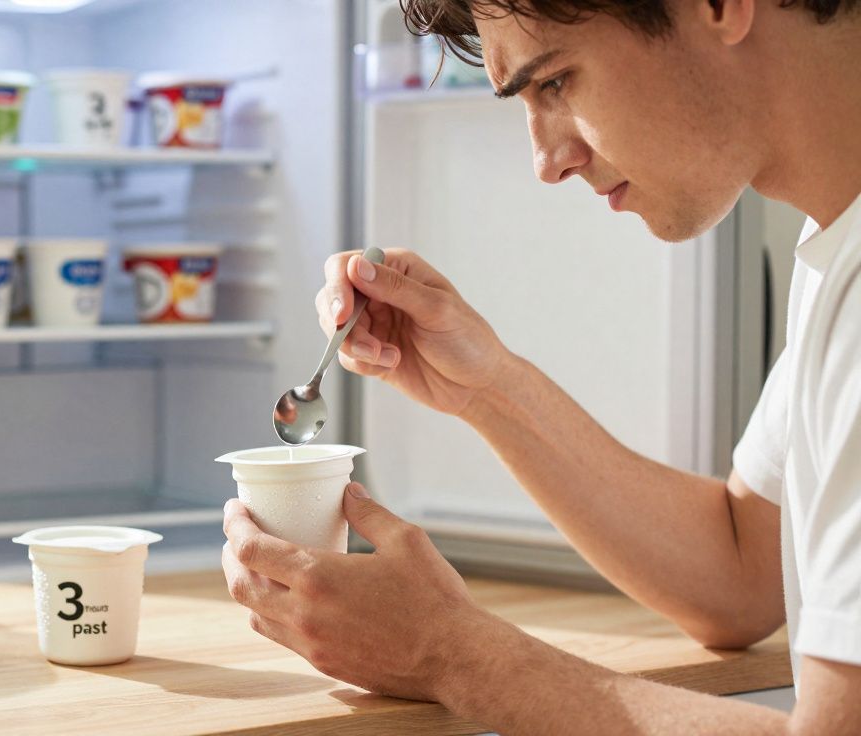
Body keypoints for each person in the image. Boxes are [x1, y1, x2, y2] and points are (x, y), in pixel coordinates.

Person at [220, 0, 861, 730]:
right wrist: (485, 388)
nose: (547, 163)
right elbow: (742, 572)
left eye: (554, 81)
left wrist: (449, 653)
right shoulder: (836, 249)